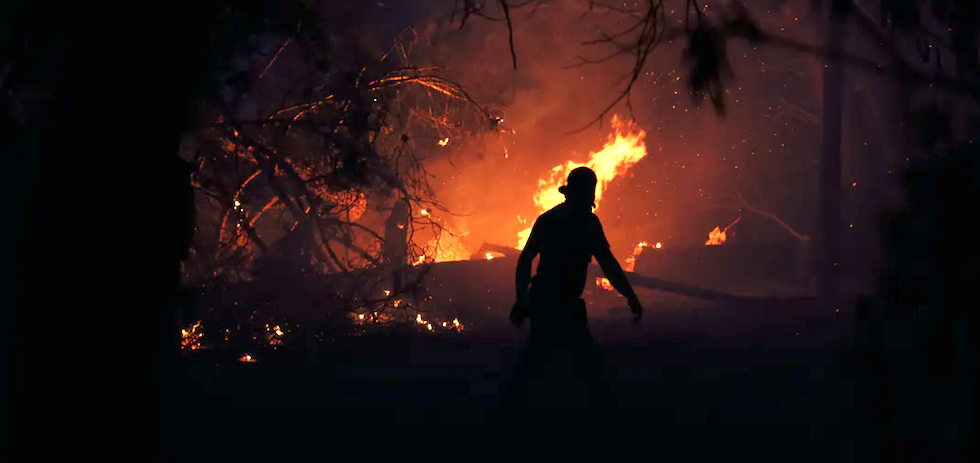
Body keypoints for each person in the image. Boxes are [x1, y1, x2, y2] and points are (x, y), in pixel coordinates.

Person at [504, 166, 643, 410]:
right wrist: (630, 297)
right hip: (559, 302)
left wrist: (521, 300)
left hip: (546, 300)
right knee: (582, 365)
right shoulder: (587, 223)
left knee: (540, 362)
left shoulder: (549, 220)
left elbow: (525, 260)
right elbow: (609, 265)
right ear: (588, 194)